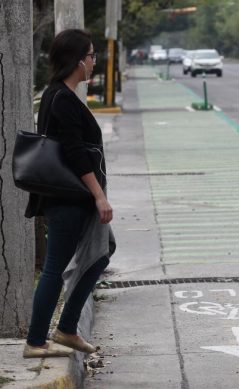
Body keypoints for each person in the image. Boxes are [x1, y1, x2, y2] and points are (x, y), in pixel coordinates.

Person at [22, 29, 115, 358]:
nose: (94, 62)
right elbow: (75, 153)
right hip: (70, 199)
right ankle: (36, 341)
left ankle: (67, 328)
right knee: (54, 267)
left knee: (103, 251)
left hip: (70, 198)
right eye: (92, 56)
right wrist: (99, 197)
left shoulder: (57, 93)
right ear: (79, 61)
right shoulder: (61, 98)